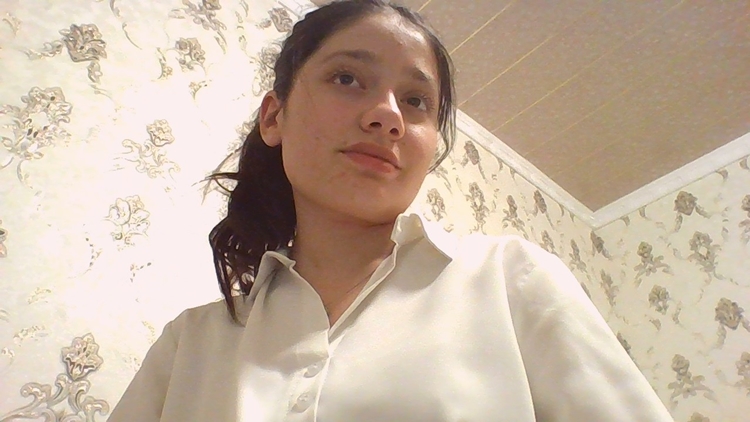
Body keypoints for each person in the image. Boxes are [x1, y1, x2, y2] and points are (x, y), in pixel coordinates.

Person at [108, 0, 674, 421]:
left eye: (416, 100)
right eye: (347, 78)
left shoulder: (510, 280)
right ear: (274, 116)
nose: (388, 116)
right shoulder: (190, 346)